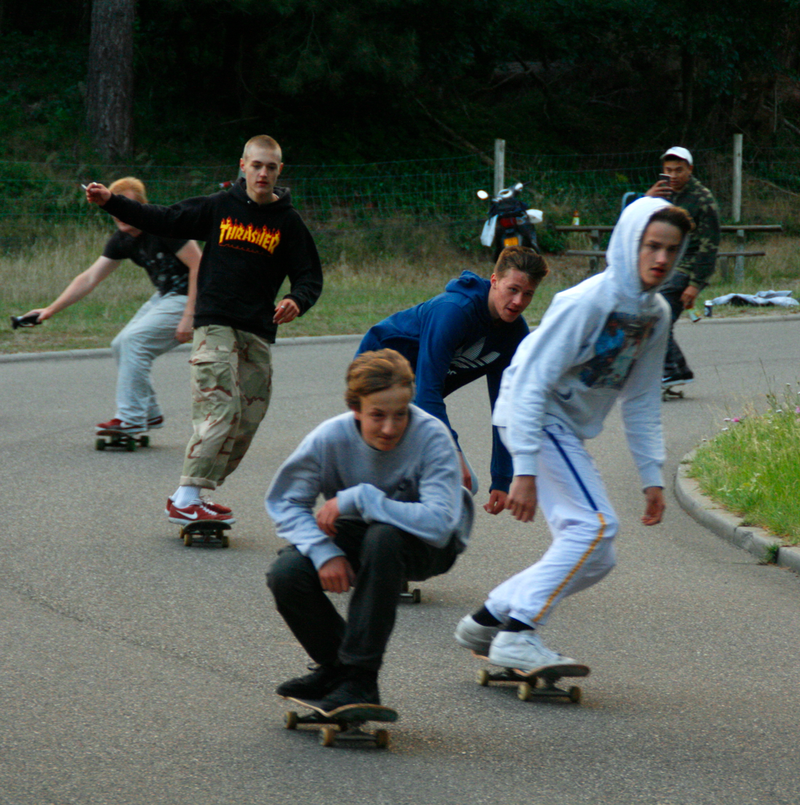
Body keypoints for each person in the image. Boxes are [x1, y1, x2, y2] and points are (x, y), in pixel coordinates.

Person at [454, 197, 694, 671]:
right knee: (595, 526)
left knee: (597, 554)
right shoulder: (587, 302)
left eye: (671, 249)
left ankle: (489, 617)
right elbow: (532, 379)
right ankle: (518, 634)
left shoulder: (656, 315)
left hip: (561, 428)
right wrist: (522, 467)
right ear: (630, 244)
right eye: (651, 246)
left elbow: (643, 399)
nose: (661, 259)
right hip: (535, 415)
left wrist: (652, 475)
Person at [86, 135, 323, 524]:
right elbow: (164, 218)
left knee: (249, 414)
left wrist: (298, 299)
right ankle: (186, 495)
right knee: (220, 406)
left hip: (258, 329)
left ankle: (195, 491)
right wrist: (112, 202)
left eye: (271, 167)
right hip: (214, 322)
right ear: (242, 166)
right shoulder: (219, 207)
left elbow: (309, 275)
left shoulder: (288, 222)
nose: (263, 173)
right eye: (256, 165)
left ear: (280, 171)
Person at [266, 349, 473, 708]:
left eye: (400, 414)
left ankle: (361, 680)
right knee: (287, 573)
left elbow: (440, 523)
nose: (390, 428)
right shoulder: (329, 438)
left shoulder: (432, 437)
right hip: (362, 532)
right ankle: (336, 670)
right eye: (377, 415)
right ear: (356, 409)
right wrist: (323, 551)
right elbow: (285, 501)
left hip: (431, 544)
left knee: (384, 536)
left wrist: (362, 498)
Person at [357, 246, 549, 515]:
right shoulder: (455, 311)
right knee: (434, 476)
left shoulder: (514, 333)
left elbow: (505, 407)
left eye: (527, 294)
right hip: (379, 371)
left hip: (415, 392)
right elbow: (427, 392)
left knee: (460, 485)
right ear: (494, 281)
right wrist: (452, 452)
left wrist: (503, 478)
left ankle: (389, 527)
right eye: (512, 289)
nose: (518, 301)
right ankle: (356, 522)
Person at [23, 177, 202, 435]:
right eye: (115, 208)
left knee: (133, 341)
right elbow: (89, 277)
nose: (121, 214)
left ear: (141, 207)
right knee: (121, 344)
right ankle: (148, 413)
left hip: (193, 298)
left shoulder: (164, 226)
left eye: (127, 206)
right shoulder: (122, 239)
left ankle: (130, 418)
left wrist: (190, 315)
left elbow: (200, 264)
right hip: (167, 296)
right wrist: (50, 310)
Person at [645, 146, 720, 388]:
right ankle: (679, 369)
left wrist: (695, 285)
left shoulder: (702, 199)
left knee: (656, 316)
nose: (674, 175)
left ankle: (671, 370)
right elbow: (642, 225)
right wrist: (648, 199)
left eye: (679, 170)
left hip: (687, 268)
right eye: (668, 170)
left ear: (690, 169)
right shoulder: (662, 193)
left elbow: (710, 246)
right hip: (664, 264)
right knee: (655, 315)